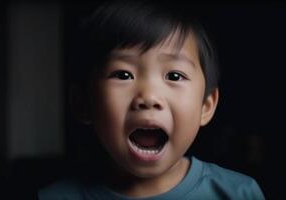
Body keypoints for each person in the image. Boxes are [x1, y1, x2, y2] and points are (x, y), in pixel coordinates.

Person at [38, 1, 265, 199]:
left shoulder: (238, 193)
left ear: (206, 106)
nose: (148, 97)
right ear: (83, 103)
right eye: (123, 75)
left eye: (174, 76)